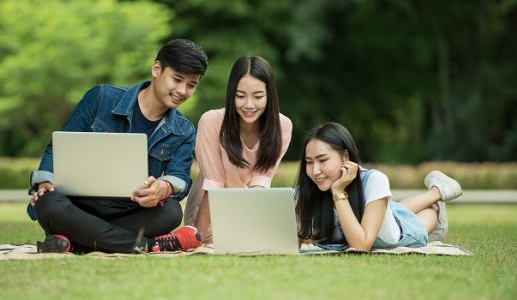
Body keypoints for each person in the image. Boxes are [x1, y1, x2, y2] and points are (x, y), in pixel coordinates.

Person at [28, 39, 208, 254]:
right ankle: (148, 246)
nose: (182, 90)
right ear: (156, 69)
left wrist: (164, 187)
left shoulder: (184, 130)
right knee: (48, 203)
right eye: (177, 79)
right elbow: (57, 148)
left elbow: (179, 177)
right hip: (76, 205)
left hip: (130, 210)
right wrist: (45, 181)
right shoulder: (100, 98)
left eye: (191, 85)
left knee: (170, 212)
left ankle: (75, 241)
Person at [295, 122, 462, 251]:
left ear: (345, 157)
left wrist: (338, 192)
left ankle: (436, 195)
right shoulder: (309, 188)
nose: (315, 171)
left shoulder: (375, 180)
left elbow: (361, 245)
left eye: (323, 160)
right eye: (309, 162)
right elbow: (302, 239)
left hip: (399, 232)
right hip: (383, 211)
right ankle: (436, 191)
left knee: (426, 214)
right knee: (392, 209)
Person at [184, 55, 293, 245]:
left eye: (258, 96)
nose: (249, 105)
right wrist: (198, 241)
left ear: (270, 95)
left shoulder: (282, 126)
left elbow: (261, 182)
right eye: (240, 96)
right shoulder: (212, 122)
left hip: (247, 206)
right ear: (231, 94)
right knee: (211, 242)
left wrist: (253, 227)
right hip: (207, 210)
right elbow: (213, 186)